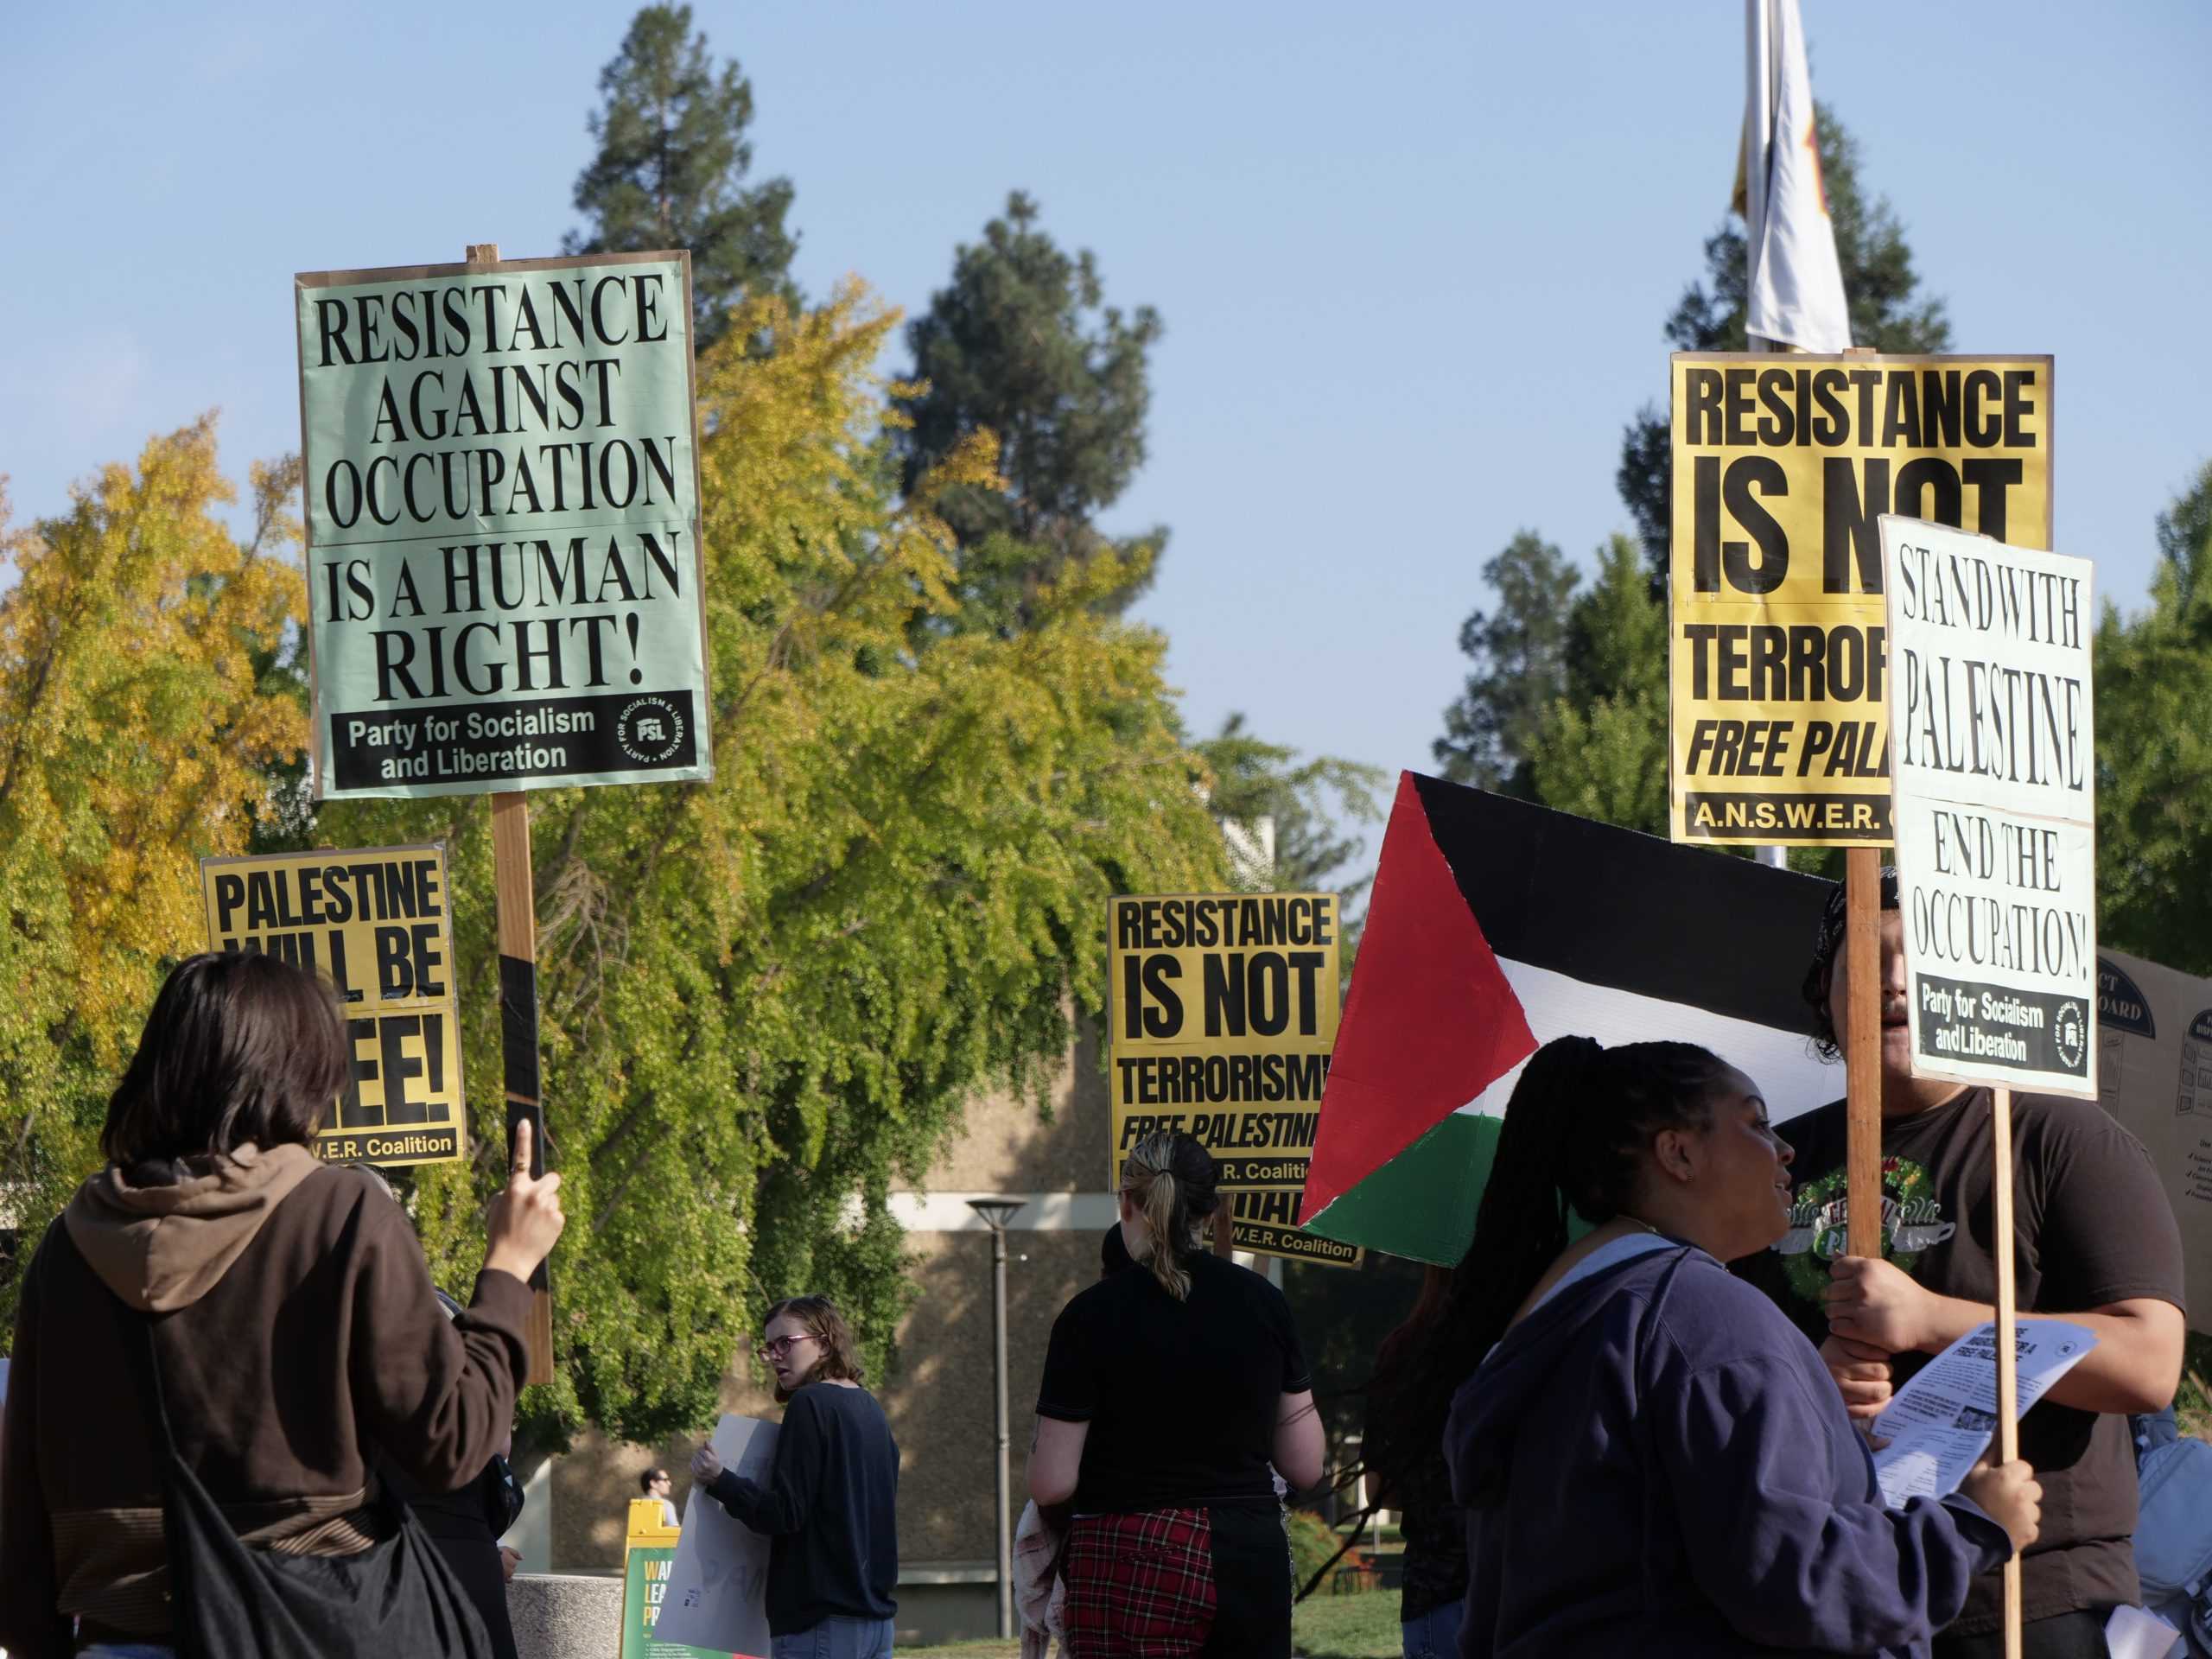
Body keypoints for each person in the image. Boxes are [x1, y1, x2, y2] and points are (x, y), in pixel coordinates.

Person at [0, 950, 565, 1659]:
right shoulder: (338, 1214)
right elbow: (452, 1441)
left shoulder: (66, 1250)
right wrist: (510, 1264)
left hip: (120, 1641)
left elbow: (23, 1513)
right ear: (302, 1074)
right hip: (310, 1627)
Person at [1420, 1035, 2040, 1658]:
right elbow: (1794, 1580)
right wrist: (1970, 1528)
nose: (1786, 1148)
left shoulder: (1574, 1309)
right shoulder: (1698, 1312)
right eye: (1756, 1122)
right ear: (1679, 1153)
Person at [1741, 874, 2187, 1658]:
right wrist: (1810, 1380)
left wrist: (1929, 1321)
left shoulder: (2060, 1139)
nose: (1898, 982)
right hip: (1835, 1596)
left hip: (2031, 1601)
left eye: (1931, 959)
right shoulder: (1766, 1162)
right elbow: (1718, 1374)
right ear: (1825, 990)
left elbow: (2149, 1363)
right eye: (1870, 963)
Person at [1028, 1131, 1325, 1659]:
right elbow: (1305, 1465)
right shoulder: (1264, 1303)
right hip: (1246, 1554)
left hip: (1128, 1560)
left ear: (1126, 1203)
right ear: (1210, 1211)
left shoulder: (1088, 1316)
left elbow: (1051, 1483)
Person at [690, 1295, 899, 1659]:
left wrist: (720, 1479)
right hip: (875, 1623)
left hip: (820, 1623)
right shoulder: (870, 1407)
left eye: (786, 1343)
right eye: (769, 1347)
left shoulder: (810, 1403)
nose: (775, 1356)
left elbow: (784, 1513)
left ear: (823, 1340)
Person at [1363, 1266, 1463, 1659]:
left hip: (1435, 1590)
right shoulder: (1528, 1345)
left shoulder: (1404, 1351)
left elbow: (1379, 1491)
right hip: (1522, 1591)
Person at [640, 1465, 680, 1529]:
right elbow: (675, 1532)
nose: (669, 1483)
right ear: (653, 1483)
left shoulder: (637, 1505)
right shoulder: (666, 1505)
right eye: (665, 1480)